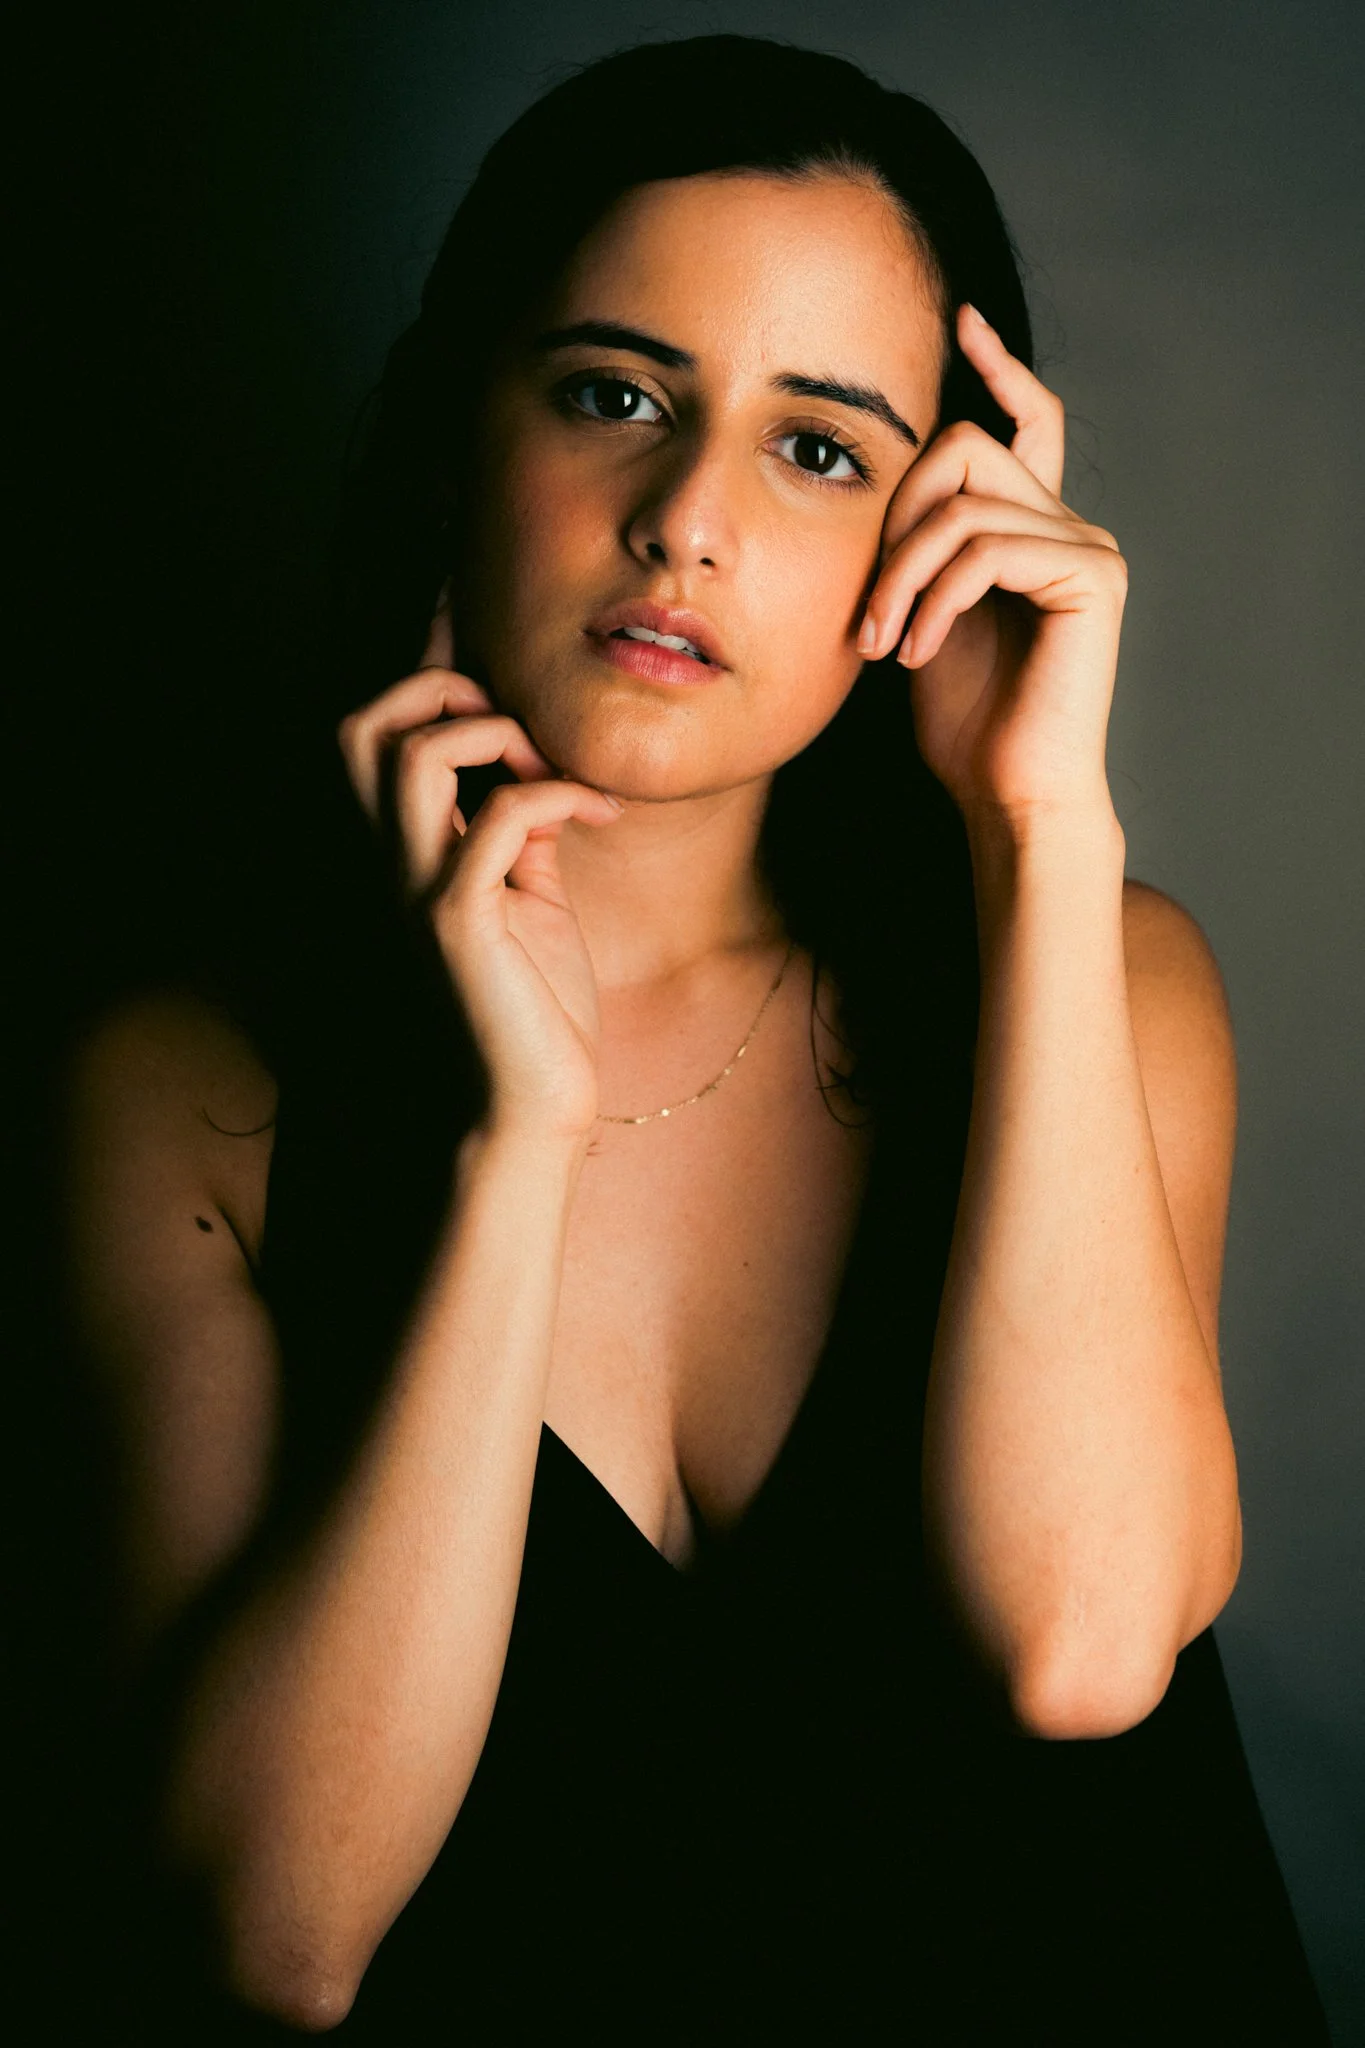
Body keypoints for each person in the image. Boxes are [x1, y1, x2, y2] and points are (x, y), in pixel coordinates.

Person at [61, 34, 1329, 2044]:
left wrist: (1039, 824)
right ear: (458, 434)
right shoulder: (182, 1087)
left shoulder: (1094, 968)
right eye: (611, 394)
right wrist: (517, 1142)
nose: (685, 521)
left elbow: (1082, 1643)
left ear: (943, 528)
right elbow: (273, 1934)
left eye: (817, 445)